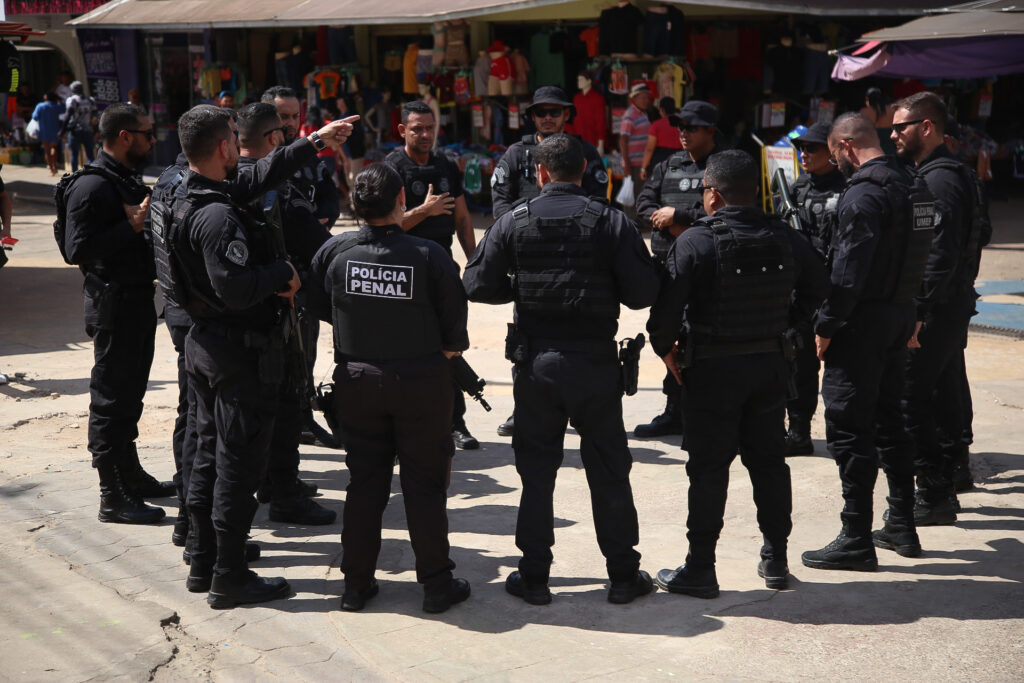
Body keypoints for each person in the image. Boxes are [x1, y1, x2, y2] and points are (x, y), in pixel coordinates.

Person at [464, 134, 661, 606]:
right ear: (587, 169)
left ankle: (534, 578)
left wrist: (525, 283)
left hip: (537, 366)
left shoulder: (513, 221)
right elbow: (642, 293)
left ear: (540, 173)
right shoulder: (612, 221)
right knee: (610, 470)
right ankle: (623, 577)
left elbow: (476, 283)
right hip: (594, 364)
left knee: (537, 474)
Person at [170, 105, 352, 608]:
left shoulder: (186, 192)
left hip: (207, 345)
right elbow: (235, 287)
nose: (238, 146)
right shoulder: (216, 214)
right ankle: (229, 574)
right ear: (225, 147)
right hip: (236, 352)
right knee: (237, 467)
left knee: (207, 457)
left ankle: (204, 560)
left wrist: (315, 141)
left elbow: (264, 172)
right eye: (233, 138)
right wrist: (282, 276)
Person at [647, 150, 828, 597]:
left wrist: (666, 351)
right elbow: (820, 287)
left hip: (710, 372)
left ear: (712, 194)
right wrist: (787, 326)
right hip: (768, 368)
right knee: (769, 464)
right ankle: (776, 559)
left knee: (708, 471)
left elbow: (664, 316)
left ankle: (701, 569)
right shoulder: (784, 236)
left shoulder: (694, 242)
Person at [307, 164, 472, 614]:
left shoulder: (335, 252)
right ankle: (437, 585)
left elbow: (318, 302)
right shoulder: (429, 254)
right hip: (420, 382)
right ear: (401, 198)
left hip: (358, 383)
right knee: (424, 485)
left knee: (365, 485)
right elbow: (455, 327)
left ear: (355, 204)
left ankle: (356, 585)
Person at [802, 113, 935, 571]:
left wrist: (825, 324)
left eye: (834, 151)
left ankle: (856, 535)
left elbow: (848, 271)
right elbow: (921, 255)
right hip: (899, 316)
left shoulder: (862, 193)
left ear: (844, 145)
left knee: (849, 426)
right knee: (889, 420)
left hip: (862, 322)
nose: (835, 159)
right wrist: (913, 311)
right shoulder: (914, 185)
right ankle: (901, 521)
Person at [60, 103, 171, 523]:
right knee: (110, 400)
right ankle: (111, 494)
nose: (152, 138)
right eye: (146, 132)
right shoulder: (92, 186)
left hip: (137, 301)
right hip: (113, 305)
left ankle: (131, 474)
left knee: (130, 397)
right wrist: (131, 227)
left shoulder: (121, 178)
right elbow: (76, 249)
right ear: (125, 136)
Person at [235, 102, 337, 525]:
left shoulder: (220, 182)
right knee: (286, 401)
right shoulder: (270, 186)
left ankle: (274, 484)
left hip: (242, 314)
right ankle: (284, 492)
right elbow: (316, 242)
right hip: (278, 311)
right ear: (275, 138)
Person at [489, 85, 611, 437]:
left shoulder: (583, 151)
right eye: (541, 111)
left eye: (554, 111)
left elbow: (598, 202)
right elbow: (499, 204)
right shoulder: (515, 154)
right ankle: (523, 409)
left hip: (577, 260)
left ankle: (579, 409)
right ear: (532, 117)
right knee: (525, 342)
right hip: (530, 258)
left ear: (566, 115)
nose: (547, 117)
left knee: (580, 338)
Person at [891, 92, 988, 526]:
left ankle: (933, 492)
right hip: (949, 303)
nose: (893, 134)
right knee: (943, 388)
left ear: (926, 127)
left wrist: (918, 310)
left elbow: (939, 252)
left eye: (900, 127)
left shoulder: (940, 180)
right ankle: (952, 472)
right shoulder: (949, 173)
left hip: (937, 308)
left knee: (911, 396)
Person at [385, 100, 479, 450]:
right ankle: (403, 427)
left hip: (443, 269)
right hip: (404, 272)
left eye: (430, 127)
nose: (425, 134)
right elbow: (384, 223)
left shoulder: (445, 165)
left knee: (449, 349)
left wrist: (476, 263)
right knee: (404, 352)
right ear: (402, 131)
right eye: (417, 129)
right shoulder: (391, 168)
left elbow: (463, 220)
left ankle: (456, 422)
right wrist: (424, 211)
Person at [633, 99, 721, 438]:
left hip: (709, 268)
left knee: (705, 340)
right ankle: (675, 411)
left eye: (691, 127)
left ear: (710, 131)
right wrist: (667, 222)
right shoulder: (668, 163)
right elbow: (644, 203)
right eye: (680, 127)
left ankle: (705, 410)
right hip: (667, 267)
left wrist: (681, 218)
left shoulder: (724, 165)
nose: (682, 133)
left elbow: (732, 210)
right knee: (668, 335)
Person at [262, 86, 340, 445]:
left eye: (295, 116)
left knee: (304, 350)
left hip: (306, 273)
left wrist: (316, 222)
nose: (290, 123)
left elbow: (330, 201)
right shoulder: (258, 161)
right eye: (282, 116)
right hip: (267, 278)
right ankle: (278, 430)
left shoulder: (314, 158)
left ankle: (304, 416)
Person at [784, 122, 847, 455]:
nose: (804, 154)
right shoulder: (796, 189)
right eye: (800, 149)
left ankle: (840, 435)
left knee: (840, 369)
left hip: (837, 288)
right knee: (799, 366)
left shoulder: (849, 185)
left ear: (832, 150)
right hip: (803, 293)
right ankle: (798, 432)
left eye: (812, 148)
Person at [619, 83, 652, 223]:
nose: (646, 101)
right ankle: (631, 223)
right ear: (634, 99)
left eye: (647, 98)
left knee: (640, 194)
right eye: (642, 98)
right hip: (633, 163)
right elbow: (622, 139)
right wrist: (626, 163)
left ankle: (638, 222)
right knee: (632, 195)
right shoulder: (630, 115)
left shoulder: (643, 114)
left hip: (642, 162)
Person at [640, 97, 683, 181]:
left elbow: (649, 149)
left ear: (661, 110)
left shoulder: (656, 125)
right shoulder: (682, 123)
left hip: (660, 161)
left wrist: (643, 168)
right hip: (679, 159)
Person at [64, 81, 98, 172]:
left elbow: (68, 115)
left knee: (74, 154)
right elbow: (95, 116)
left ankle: (74, 175)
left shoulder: (72, 100)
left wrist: (62, 130)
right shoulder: (90, 100)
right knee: (90, 154)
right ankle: (92, 174)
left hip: (75, 131)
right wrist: (95, 130)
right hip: (88, 130)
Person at [31, 92, 63, 176]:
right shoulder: (55, 106)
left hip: (44, 131)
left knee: (47, 151)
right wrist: (60, 101)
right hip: (54, 131)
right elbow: (64, 109)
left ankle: (51, 169)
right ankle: (55, 166)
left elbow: (34, 116)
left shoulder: (40, 106)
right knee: (53, 148)